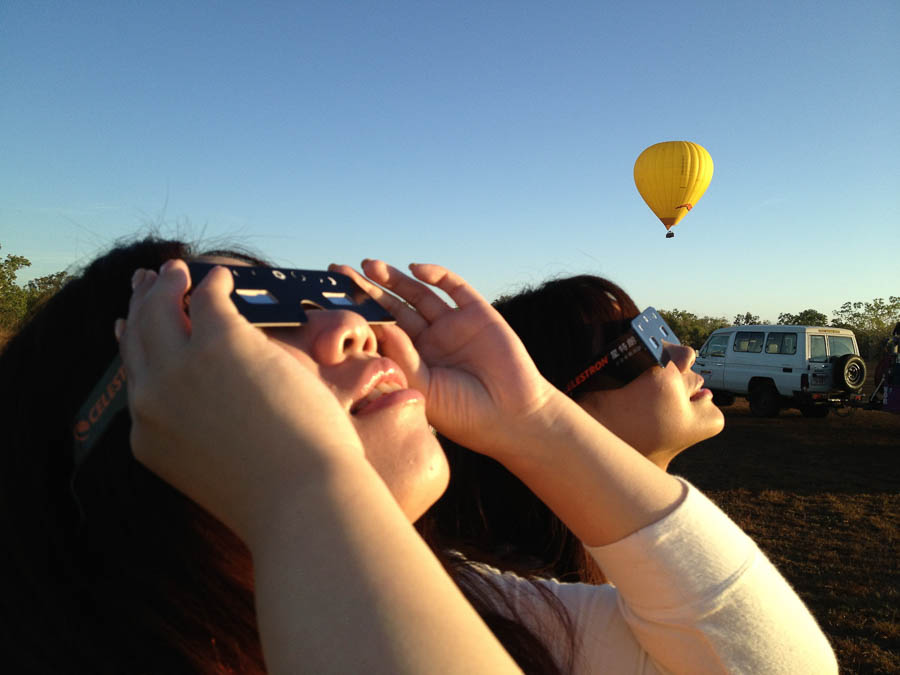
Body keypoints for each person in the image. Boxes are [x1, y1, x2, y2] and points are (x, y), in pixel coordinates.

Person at [0, 236, 837, 674]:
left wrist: (535, 418)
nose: (348, 324)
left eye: (308, 294)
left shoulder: (478, 601)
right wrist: (299, 486)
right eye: (242, 323)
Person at [417, 274, 723, 583]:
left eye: (657, 328)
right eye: (647, 344)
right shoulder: (535, 604)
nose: (686, 353)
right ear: (558, 406)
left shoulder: (638, 570)